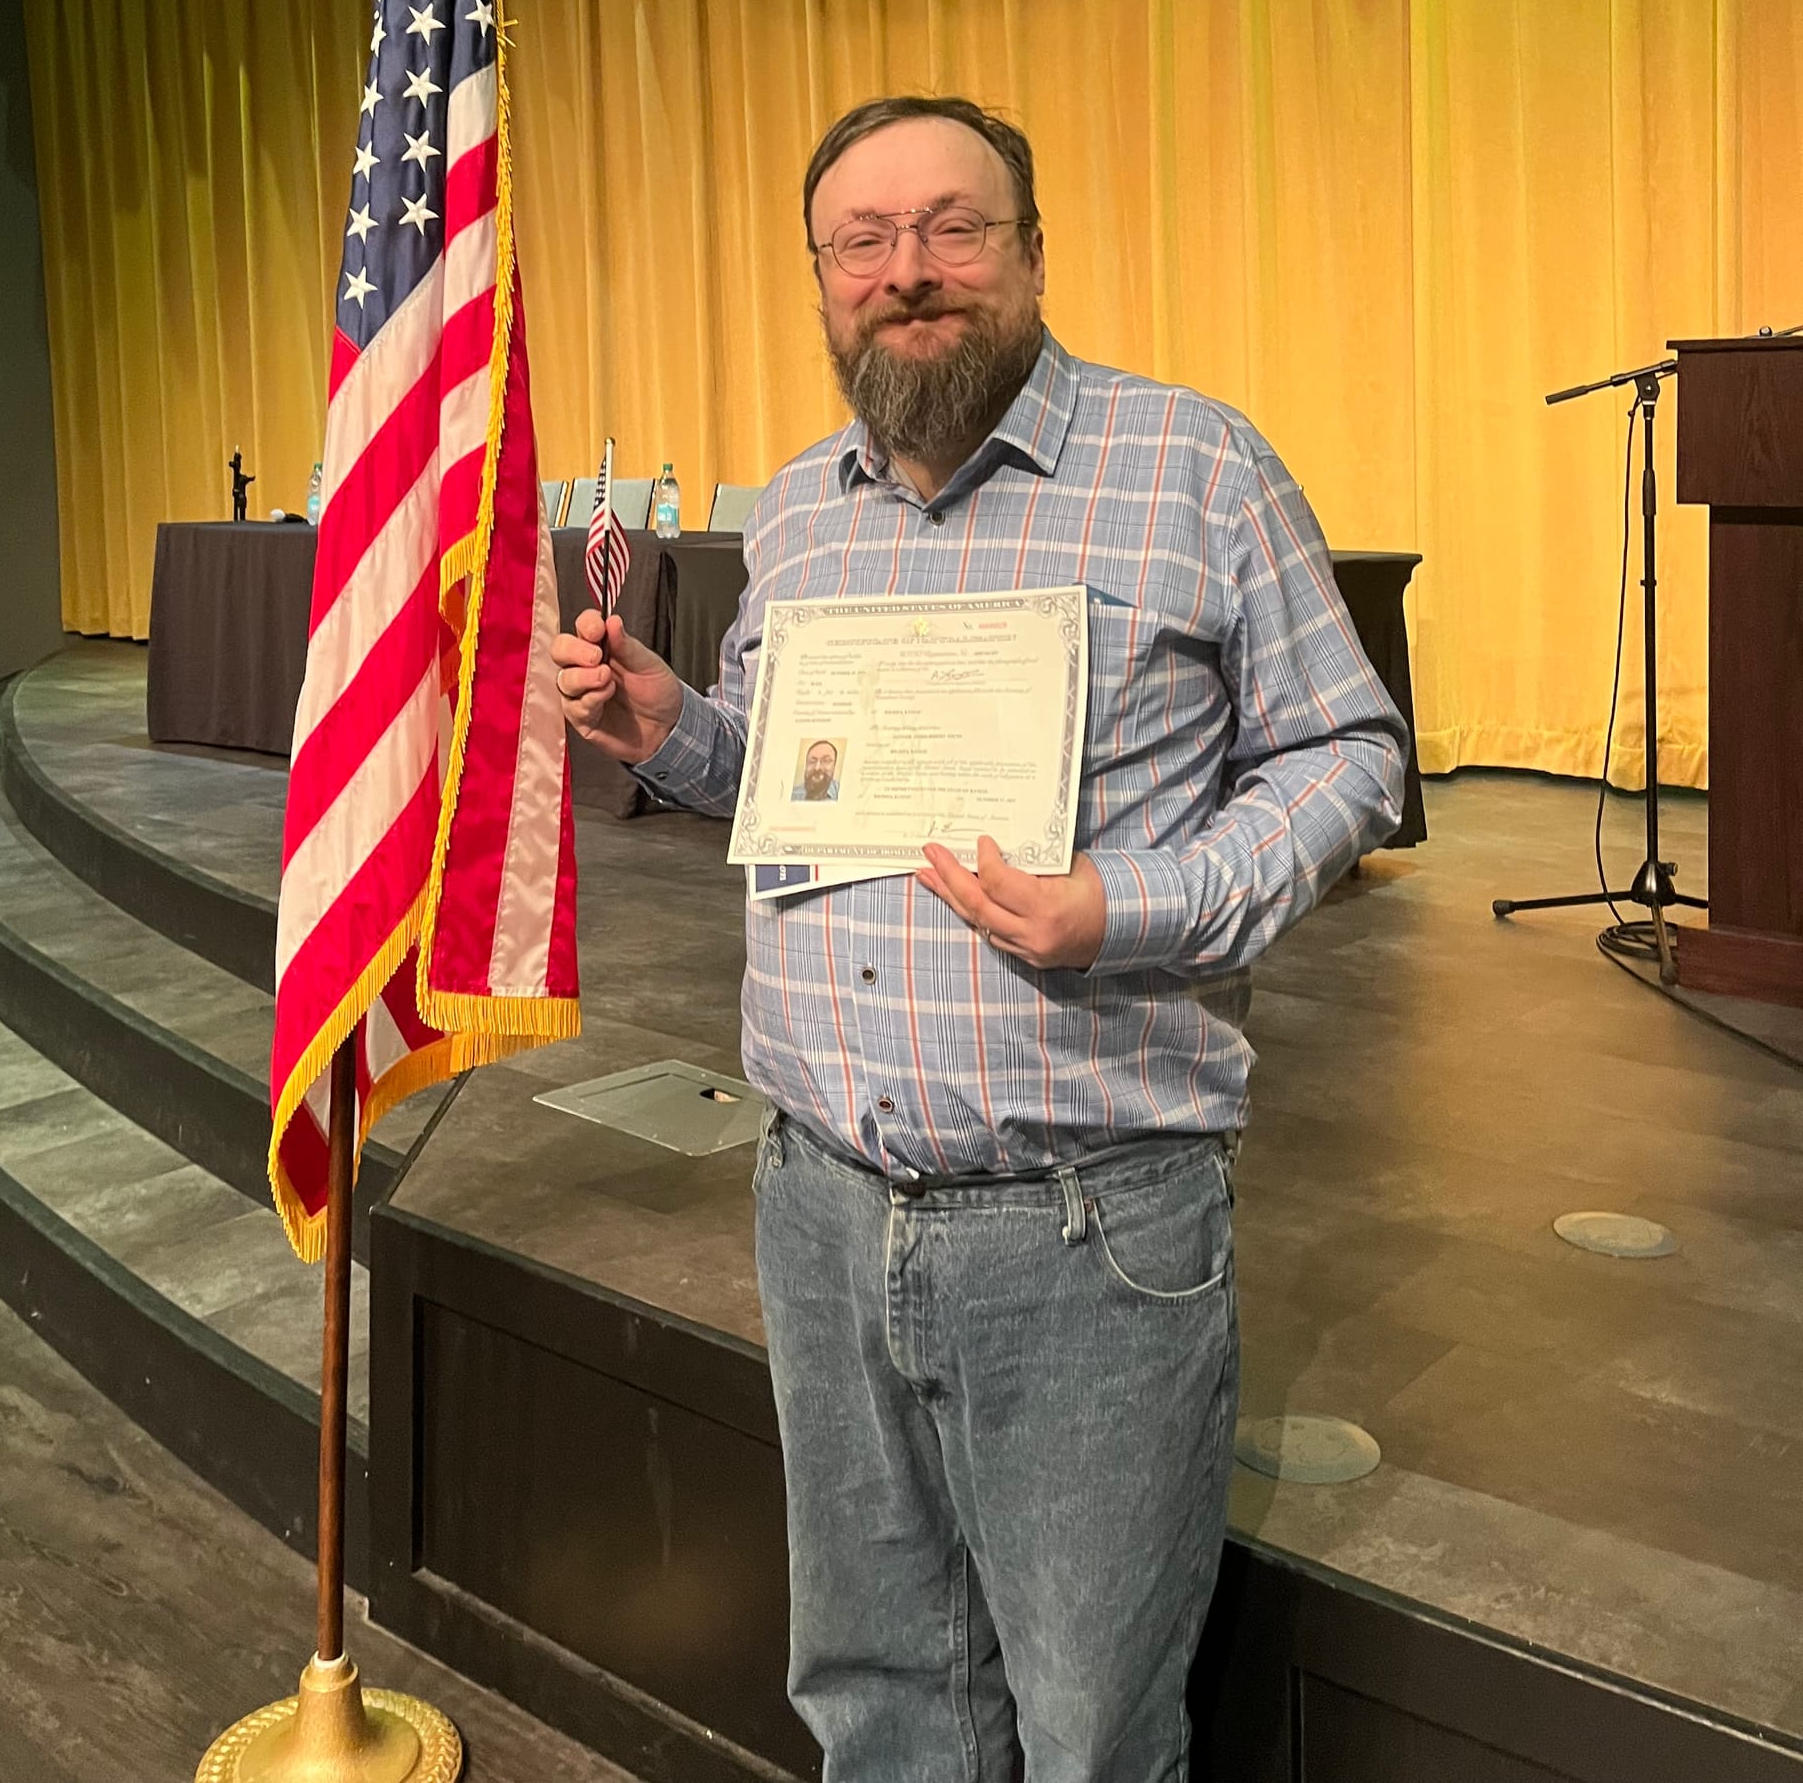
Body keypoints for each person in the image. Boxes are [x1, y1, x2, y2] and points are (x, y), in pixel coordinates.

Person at [551, 95, 1406, 1783]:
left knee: (1090, 1732)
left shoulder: (1196, 465)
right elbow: (794, 783)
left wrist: (1133, 904)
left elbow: (1348, 752)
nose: (908, 272)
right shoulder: (798, 512)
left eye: (953, 228)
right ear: (821, 278)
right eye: (862, 242)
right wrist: (675, 737)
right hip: (819, 1206)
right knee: (875, 1703)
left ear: (1028, 250)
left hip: (1090, 1227)